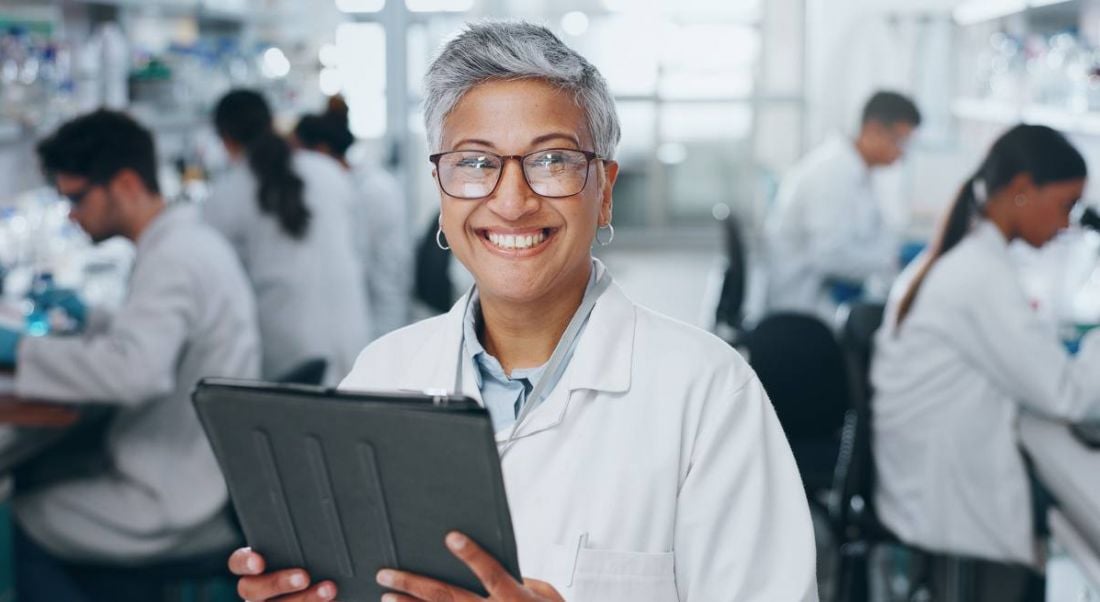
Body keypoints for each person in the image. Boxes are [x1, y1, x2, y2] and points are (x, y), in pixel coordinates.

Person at [228, 21, 817, 602]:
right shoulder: (383, 375)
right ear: (439, 188)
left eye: (552, 160)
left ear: (604, 189)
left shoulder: (709, 393)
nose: (511, 202)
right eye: (476, 163)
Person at [0, 110, 260, 601]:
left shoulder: (175, 257)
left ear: (122, 183)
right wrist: (93, 318)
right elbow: (157, 338)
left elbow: (135, 372)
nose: (71, 215)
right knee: (44, 472)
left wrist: (24, 348)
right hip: (201, 472)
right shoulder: (186, 241)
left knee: (22, 514)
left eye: (77, 198)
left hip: (180, 496)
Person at [872, 124, 1100, 599]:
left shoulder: (968, 256)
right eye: (1064, 206)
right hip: (950, 503)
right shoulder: (978, 275)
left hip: (927, 483)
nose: (1065, 225)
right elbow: (1069, 396)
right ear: (1021, 190)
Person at [206, 90, 370, 384]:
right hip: (353, 338)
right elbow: (356, 250)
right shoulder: (328, 172)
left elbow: (222, 291)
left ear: (226, 140)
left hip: (287, 356)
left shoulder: (224, 197)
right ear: (272, 123)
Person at [764, 90, 921, 321]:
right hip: (804, 306)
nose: (902, 153)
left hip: (828, 293)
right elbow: (829, 256)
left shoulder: (859, 172)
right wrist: (891, 261)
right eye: (899, 141)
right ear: (873, 129)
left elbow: (867, 235)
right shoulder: (832, 175)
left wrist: (891, 255)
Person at [294, 104, 413, 338]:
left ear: (320, 150)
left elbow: (387, 279)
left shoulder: (373, 191)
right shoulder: (339, 189)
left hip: (382, 326)